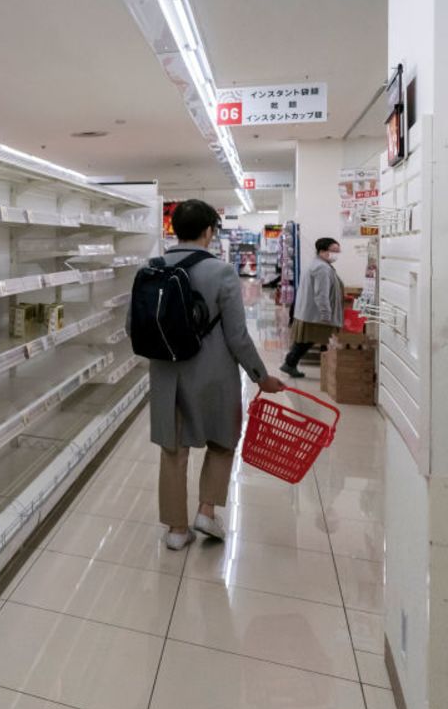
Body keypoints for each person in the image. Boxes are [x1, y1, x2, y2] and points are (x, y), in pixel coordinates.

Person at [131, 200, 285, 550]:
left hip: (166, 375)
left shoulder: (151, 267)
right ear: (209, 231)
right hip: (212, 372)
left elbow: (133, 326)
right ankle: (206, 510)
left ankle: (176, 530)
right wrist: (261, 377)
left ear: (174, 229)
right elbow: (237, 336)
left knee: (173, 450)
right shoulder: (221, 272)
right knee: (222, 440)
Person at [280, 237, 344, 378]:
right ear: (322, 251)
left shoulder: (319, 265)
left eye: (338, 251)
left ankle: (291, 364)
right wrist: (326, 314)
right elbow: (321, 294)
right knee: (322, 341)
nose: (337, 254)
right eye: (334, 251)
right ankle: (327, 370)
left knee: (307, 341)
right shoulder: (321, 268)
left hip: (311, 313)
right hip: (317, 315)